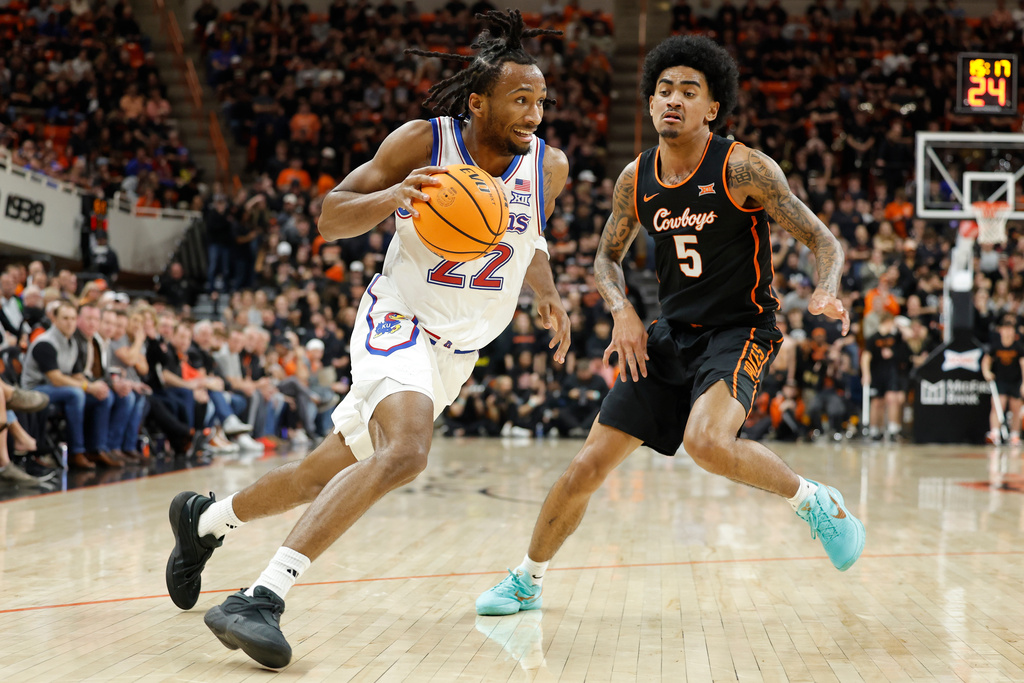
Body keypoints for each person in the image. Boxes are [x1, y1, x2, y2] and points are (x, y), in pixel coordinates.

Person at [164, 10, 570, 669]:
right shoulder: (424, 142)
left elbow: (533, 237)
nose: (535, 112)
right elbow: (329, 216)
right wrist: (393, 199)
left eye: (541, 100)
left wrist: (546, 288)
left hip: (455, 354)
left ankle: (203, 523)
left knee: (314, 475)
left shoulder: (547, 165)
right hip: (399, 318)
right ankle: (260, 597)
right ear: (479, 101)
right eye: (520, 98)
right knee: (407, 451)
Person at [476, 34, 865, 618]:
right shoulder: (636, 179)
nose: (673, 100)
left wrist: (827, 287)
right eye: (663, 90)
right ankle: (527, 579)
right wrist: (623, 310)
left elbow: (821, 238)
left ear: (713, 108)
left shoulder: (743, 167)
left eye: (689, 91)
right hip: (668, 336)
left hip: (740, 329)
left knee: (705, 441)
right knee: (586, 465)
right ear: (650, 102)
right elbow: (607, 257)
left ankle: (815, 501)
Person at [982, 315, 1024, 445]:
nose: (1007, 332)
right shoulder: (996, 345)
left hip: (1015, 381)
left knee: (1015, 408)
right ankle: (995, 433)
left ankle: (1014, 435)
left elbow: (1023, 364)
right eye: (1005, 329)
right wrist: (986, 372)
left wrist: (1023, 383)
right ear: (1001, 330)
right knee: (997, 405)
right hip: (1000, 381)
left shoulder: (1018, 346)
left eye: (1010, 329)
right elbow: (986, 360)